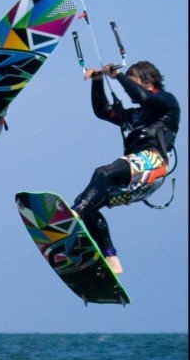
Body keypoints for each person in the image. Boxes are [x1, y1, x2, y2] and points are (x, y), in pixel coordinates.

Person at [72, 61, 180, 274]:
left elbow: (144, 97)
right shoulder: (136, 115)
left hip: (154, 164)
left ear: (147, 82)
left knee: (102, 173)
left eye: (133, 83)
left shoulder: (167, 102)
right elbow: (103, 111)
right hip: (140, 181)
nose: (127, 89)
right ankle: (111, 258)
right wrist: (97, 81)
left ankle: (73, 215)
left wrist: (119, 76)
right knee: (90, 203)